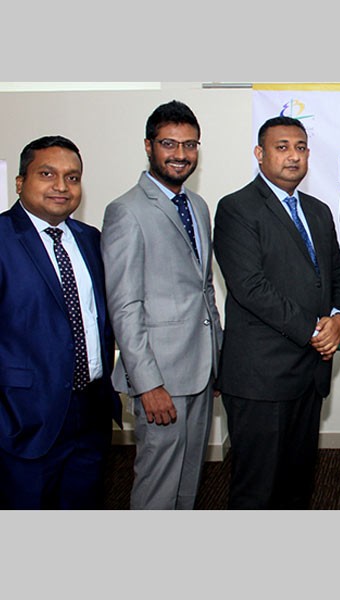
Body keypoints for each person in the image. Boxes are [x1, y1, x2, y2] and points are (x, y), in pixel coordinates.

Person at [214, 116, 340, 509]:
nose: (294, 156)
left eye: (301, 147)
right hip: (261, 378)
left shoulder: (318, 211)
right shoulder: (237, 208)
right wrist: (314, 330)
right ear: (260, 154)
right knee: (257, 492)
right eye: (282, 147)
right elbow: (250, 287)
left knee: (297, 485)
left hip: (309, 374)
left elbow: (338, 275)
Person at [102, 100, 223, 510]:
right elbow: (124, 306)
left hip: (200, 371)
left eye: (190, 145)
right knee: (158, 485)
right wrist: (148, 384)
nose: (180, 154)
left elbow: (204, 290)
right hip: (160, 379)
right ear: (148, 146)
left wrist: (216, 359)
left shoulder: (197, 206)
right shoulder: (126, 211)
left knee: (189, 480)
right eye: (169, 144)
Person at [0, 136, 122, 509]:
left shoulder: (90, 240)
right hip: (23, 419)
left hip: (91, 413)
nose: (61, 186)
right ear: (20, 182)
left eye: (72, 177)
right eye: (47, 174)